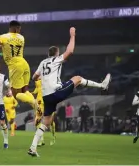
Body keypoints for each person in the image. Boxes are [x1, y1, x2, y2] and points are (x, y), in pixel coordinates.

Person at [27, 27, 111, 157]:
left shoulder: (43, 63)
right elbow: (70, 51)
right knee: (77, 79)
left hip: (46, 97)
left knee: (46, 122)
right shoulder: (56, 60)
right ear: (56, 53)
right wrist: (72, 35)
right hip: (56, 92)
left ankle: (33, 147)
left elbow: (34, 77)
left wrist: (43, 78)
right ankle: (102, 86)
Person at [32, 77, 56, 146]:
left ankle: (53, 137)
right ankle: (41, 140)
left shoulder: (50, 79)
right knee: (37, 121)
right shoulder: (37, 82)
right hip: (40, 103)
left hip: (48, 102)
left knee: (50, 122)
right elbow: (36, 90)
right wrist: (31, 93)